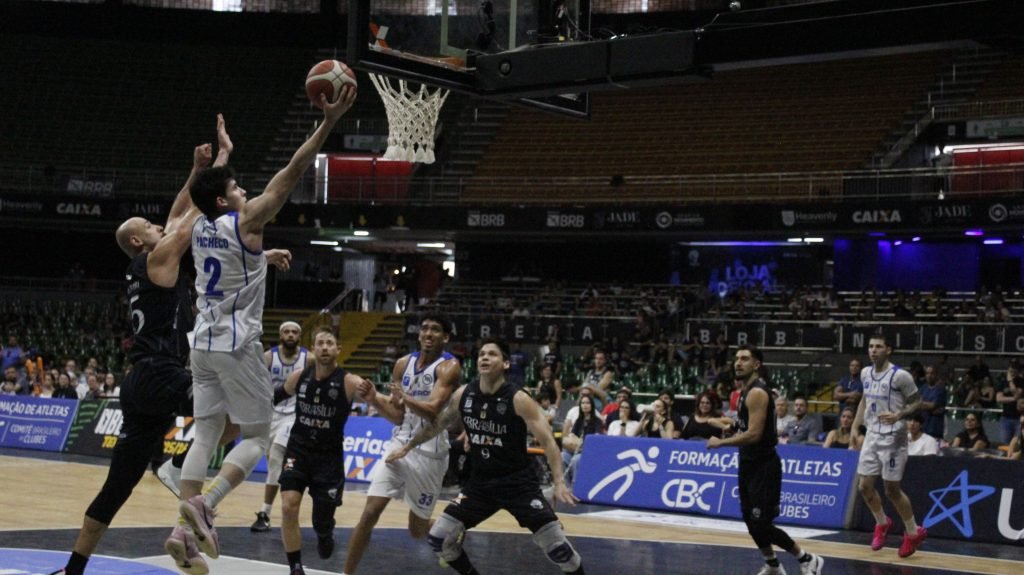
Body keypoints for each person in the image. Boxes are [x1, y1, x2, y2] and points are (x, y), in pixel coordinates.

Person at [171, 85, 356, 562]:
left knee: (207, 433)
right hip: (236, 344)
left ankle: (182, 534)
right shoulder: (247, 220)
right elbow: (293, 170)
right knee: (256, 434)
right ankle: (206, 506)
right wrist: (329, 122)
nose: (243, 189)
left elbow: (203, 203)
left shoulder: (196, 224)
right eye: (234, 187)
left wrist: (222, 158)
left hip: (202, 344)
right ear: (223, 200)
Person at [51, 118, 234, 575]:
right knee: (236, 413)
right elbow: (191, 217)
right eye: (150, 226)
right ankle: (176, 471)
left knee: (118, 487)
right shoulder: (157, 256)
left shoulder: (143, 265)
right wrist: (222, 163)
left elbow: (176, 216)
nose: (160, 226)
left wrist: (195, 170)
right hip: (159, 372)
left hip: (138, 383)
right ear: (138, 240)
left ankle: (74, 568)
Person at [388, 338, 586, 575]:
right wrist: (409, 445)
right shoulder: (464, 394)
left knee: (559, 550)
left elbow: (547, 441)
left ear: (504, 364)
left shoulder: (518, 398)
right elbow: (437, 424)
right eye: (481, 354)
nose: (484, 357)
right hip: (480, 485)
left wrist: (559, 483)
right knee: (438, 538)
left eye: (492, 354)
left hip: (519, 485)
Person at [342, 314, 462, 575]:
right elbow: (398, 415)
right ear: (418, 334)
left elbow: (432, 411)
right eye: (425, 328)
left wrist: (403, 397)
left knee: (417, 531)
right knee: (370, 512)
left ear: (446, 337)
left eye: (436, 329)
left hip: (430, 452)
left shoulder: (449, 367)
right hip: (398, 446)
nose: (429, 333)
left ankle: (450, 531)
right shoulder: (401, 365)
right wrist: (374, 399)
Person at [707, 346, 824, 575]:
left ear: (757, 365)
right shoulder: (743, 392)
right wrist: (724, 424)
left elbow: (754, 434)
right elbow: (743, 427)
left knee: (761, 523)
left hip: (764, 466)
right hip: (748, 463)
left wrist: (720, 443)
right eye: (737, 359)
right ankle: (772, 565)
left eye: (745, 359)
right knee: (750, 521)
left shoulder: (758, 393)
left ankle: (807, 558)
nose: (738, 363)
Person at [274, 328, 368, 575]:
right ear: (313, 350)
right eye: (320, 343)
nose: (325, 347)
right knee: (288, 505)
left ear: (338, 350)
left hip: (328, 458)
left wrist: (396, 404)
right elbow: (272, 398)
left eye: (330, 343)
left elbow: (379, 401)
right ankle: (295, 567)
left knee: (321, 521)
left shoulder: (349, 381)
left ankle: (325, 533)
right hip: (299, 450)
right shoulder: (299, 377)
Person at [851, 334, 927, 558]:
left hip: (894, 437)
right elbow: (864, 400)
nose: (873, 350)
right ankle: (882, 523)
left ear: (888, 350)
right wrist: (856, 427)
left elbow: (917, 402)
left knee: (891, 489)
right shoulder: (865, 372)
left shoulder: (900, 376)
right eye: (871, 346)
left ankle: (913, 533)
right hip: (872, 435)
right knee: (864, 487)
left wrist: (899, 414)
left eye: (878, 347)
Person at [250, 320, 312, 532]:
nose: (290, 335)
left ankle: (264, 513)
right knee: (272, 463)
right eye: (286, 331)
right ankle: (291, 490)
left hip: (294, 415)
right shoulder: (268, 357)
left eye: (294, 331)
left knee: (276, 457)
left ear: (299, 336)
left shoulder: (308, 358)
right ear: (280, 335)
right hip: (270, 414)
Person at [918, 365, 947, 441]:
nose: (929, 376)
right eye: (927, 373)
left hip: (935, 429)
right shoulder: (923, 388)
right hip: (923, 427)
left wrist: (922, 405)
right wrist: (924, 405)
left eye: (932, 373)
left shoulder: (940, 388)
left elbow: (933, 405)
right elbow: (918, 403)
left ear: (936, 374)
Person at [996, 365, 1023, 445]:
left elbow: (1018, 394)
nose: (1012, 372)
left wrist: (1011, 382)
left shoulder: (1021, 381)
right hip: (1006, 418)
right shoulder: (1003, 383)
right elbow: (999, 399)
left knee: (1018, 444)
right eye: (1011, 371)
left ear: (1018, 371)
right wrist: (1014, 399)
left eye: (1014, 370)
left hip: (1019, 419)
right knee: (1005, 444)